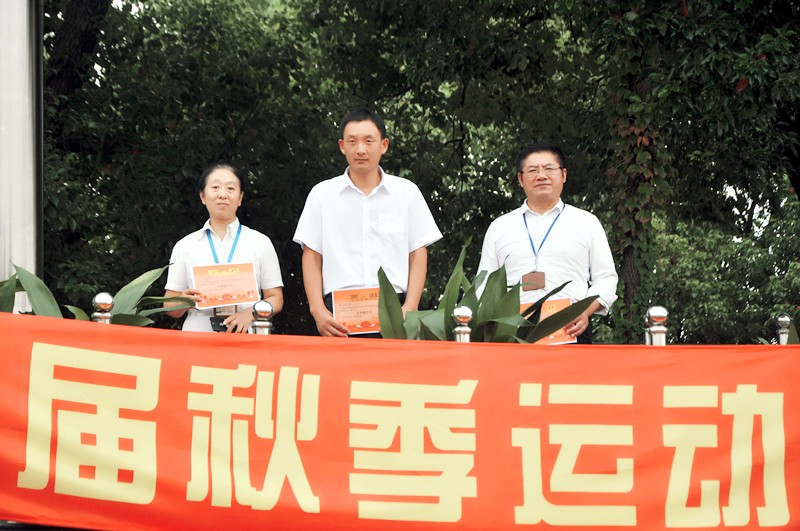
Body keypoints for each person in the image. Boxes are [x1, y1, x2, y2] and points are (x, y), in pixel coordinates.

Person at [293, 108, 442, 337]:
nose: (360, 149)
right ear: (342, 146)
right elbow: (312, 254)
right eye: (352, 141)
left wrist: (410, 307)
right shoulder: (322, 195)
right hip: (338, 315)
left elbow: (418, 252)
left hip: (395, 311)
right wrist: (317, 310)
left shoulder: (407, 193)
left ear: (384, 145)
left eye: (368, 141)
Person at [477, 142, 618, 343]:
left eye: (549, 168)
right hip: (512, 335)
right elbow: (483, 285)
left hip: (571, 330)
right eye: (533, 170)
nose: (541, 175)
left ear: (563, 175)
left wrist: (585, 310)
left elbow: (606, 278)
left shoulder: (587, 222)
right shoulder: (499, 228)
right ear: (521, 179)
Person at [164, 164, 284, 333]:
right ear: (203, 196)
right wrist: (183, 300)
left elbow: (276, 298)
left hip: (247, 336)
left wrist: (251, 313)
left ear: (240, 198)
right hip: (197, 337)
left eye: (230, 188)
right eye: (215, 187)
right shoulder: (185, 246)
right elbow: (169, 307)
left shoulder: (260, 243)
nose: (222, 194)